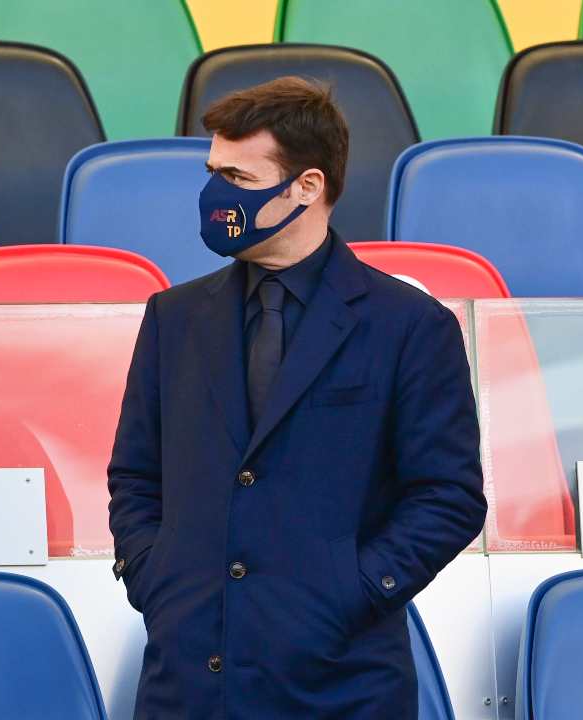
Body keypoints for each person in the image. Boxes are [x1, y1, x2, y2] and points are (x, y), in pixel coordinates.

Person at [107, 76, 486, 719]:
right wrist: (155, 579)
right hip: (189, 685)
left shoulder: (410, 325)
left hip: (342, 687)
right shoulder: (174, 318)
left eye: (238, 177)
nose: (216, 194)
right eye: (213, 173)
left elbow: (448, 496)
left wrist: (354, 592)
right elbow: (136, 474)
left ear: (307, 186)